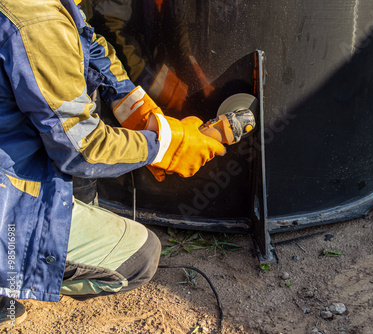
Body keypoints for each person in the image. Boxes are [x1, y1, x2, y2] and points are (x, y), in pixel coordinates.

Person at [0, 0, 225, 328]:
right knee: (140, 257)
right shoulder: (35, 22)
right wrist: (164, 146)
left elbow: (88, 43)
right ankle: (10, 268)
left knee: (79, 189)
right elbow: (82, 150)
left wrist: (139, 110)